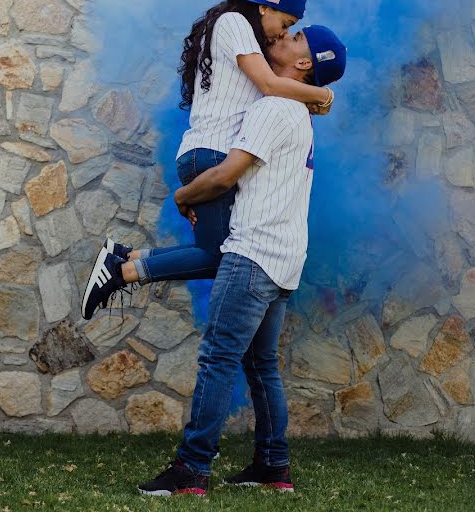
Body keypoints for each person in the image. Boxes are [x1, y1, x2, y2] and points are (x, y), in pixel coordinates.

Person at [137, 25, 347, 496]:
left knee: (218, 359)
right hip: (285, 257)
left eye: (296, 39)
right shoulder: (298, 114)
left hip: (253, 252)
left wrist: (184, 193)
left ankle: (192, 470)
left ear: (305, 63)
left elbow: (227, 175)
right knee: (261, 364)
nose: (285, 36)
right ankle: (273, 467)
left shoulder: (274, 108)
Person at [82, 0, 335, 319]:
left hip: (207, 153)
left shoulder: (242, 33)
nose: (280, 34)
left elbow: (270, 87)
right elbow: (269, 84)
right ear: (265, 6)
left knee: (212, 251)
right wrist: (322, 95)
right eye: (285, 23)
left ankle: (127, 259)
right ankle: (120, 272)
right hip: (213, 155)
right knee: (220, 258)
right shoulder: (236, 23)